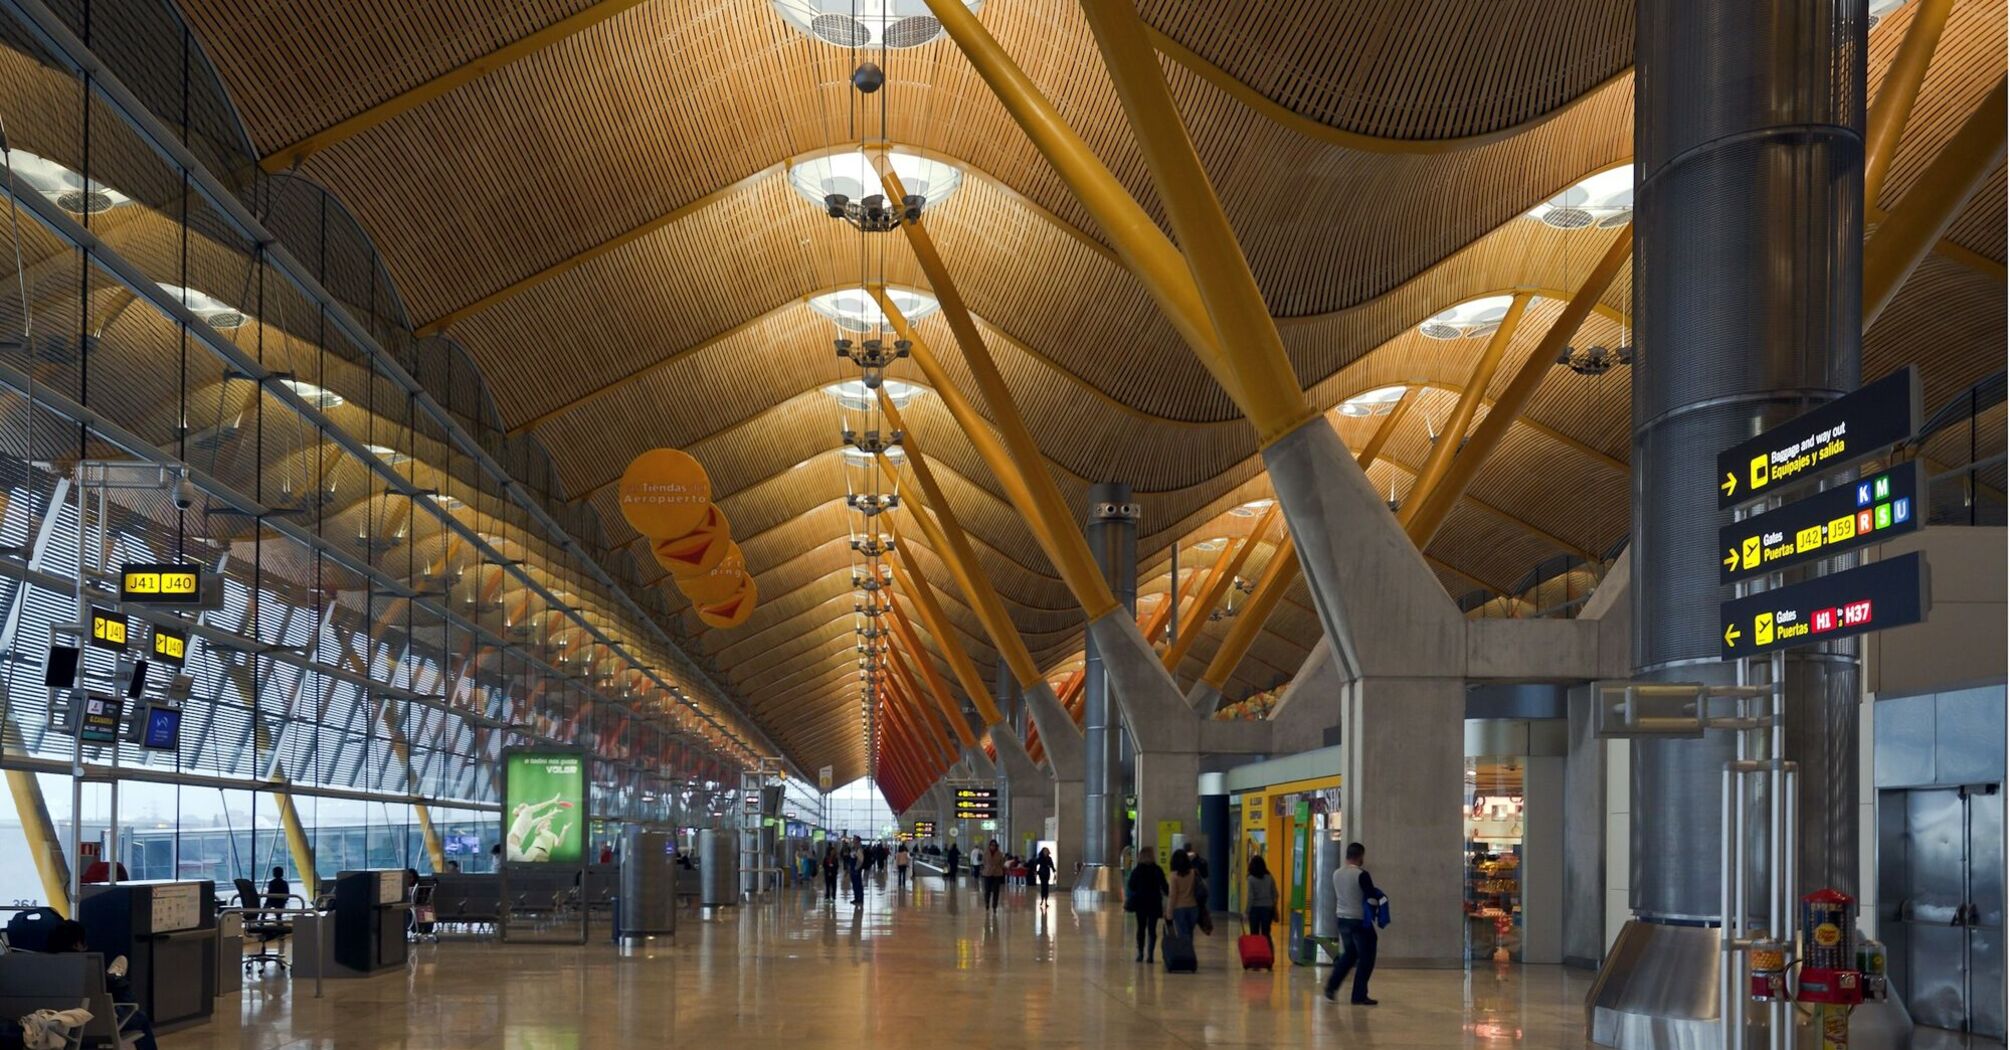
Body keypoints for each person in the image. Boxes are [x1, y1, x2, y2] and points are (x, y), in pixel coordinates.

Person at [46, 919, 158, 1050]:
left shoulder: (42, 966)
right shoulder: (90, 967)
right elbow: (129, 1002)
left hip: (57, 1025)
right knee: (138, 1015)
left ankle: (114, 977)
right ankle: (116, 976)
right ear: (77, 944)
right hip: (96, 1023)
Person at [1324, 841, 1385, 1006]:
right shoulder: (1362, 874)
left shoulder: (1336, 873)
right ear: (1360, 856)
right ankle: (1359, 995)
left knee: (1350, 954)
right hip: (1359, 920)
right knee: (1367, 957)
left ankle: (1331, 987)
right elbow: (1371, 899)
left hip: (1342, 920)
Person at [1125, 847, 1169, 963]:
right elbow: (1165, 887)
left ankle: (1140, 953)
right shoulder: (1157, 870)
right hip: (1154, 903)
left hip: (1140, 903)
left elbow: (1131, 885)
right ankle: (1150, 955)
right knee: (1152, 929)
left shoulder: (1137, 870)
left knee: (1141, 928)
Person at [1166, 849, 1201, 942]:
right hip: (1193, 908)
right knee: (1189, 935)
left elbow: (1172, 896)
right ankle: (1189, 950)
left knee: (1183, 936)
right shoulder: (1193, 873)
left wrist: (1169, 914)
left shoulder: (1173, 876)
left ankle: (1186, 951)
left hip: (1179, 909)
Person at [1244, 855, 1277, 942]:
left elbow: (1250, 897)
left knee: (1254, 933)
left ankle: (1256, 949)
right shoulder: (1269, 877)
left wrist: (1246, 912)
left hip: (1255, 909)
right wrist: (1272, 905)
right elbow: (1275, 894)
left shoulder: (1250, 879)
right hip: (1268, 908)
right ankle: (1268, 950)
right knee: (1266, 933)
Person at [980, 840, 1006, 911]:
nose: (993, 847)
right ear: (989, 845)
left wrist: (997, 867)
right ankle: (987, 903)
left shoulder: (999, 853)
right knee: (987, 890)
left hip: (997, 874)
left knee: (996, 891)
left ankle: (995, 906)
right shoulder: (986, 853)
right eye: (991, 845)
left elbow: (1002, 863)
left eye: (994, 845)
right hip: (987, 873)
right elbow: (983, 862)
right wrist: (987, 867)